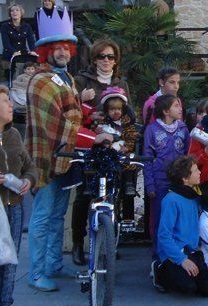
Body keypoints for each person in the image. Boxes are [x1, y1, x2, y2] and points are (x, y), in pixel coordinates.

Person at [26, 7, 113, 291]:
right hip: (47, 158)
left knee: (56, 215)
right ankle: (37, 273)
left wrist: (92, 114)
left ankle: (52, 264)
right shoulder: (40, 80)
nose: (62, 52)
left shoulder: (65, 78)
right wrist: (92, 138)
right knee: (42, 217)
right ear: (46, 51)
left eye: (66, 47)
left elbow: (71, 109)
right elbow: (55, 124)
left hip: (67, 158)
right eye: (57, 48)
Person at [70, 86, 140, 265]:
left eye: (119, 109)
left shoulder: (127, 124)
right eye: (112, 109)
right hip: (95, 164)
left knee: (115, 201)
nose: (116, 112)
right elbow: (89, 135)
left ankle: (111, 243)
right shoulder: (98, 122)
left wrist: (123, 148)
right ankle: (78, 242)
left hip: (116, 166)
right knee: (84, 198)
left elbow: (131, 141)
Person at [0, 84, 37, 306]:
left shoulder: (14, 134)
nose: (11, 105)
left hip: (14, 206)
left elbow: (30, 166)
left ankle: (6, 305)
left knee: (10, 258)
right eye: (5, 101)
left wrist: (28, 181)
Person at [153, 156, 208, 296]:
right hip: (175, 252)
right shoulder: (171, 200)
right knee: (188, 288)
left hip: (192, 250)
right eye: (195, 171)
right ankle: (159, 270)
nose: (199, 172)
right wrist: (181, 260)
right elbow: (164, 236)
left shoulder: (193, 195)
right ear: (185, 179)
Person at [144, 94, 190, 263]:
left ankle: (177, 255)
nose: (180, 108)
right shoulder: (152, 130)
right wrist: (150, 185)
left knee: (177, 219)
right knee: (160, 220)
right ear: (165, 111)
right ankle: (158, 258)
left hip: (178, 182)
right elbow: (147, 159)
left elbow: (187, 155)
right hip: (159, 181)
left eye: (180, 105)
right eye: (176, 106)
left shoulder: (183, 129)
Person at [74, 39, 131, 119]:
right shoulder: (80, 81)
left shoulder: (122, 84)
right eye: (101, 56)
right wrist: (80, 98)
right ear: (94, 60)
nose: (106, 60)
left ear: (115, 61)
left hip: (116, 130)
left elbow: (129, 114)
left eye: (111, 57)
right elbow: (69, 111)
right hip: (88, 129)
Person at [0, 4, 37, 75]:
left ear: (21, 13)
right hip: (9, 56)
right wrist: (14, 52)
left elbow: (31, 41)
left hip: (23, 55)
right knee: (10, 77)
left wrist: (33, 51)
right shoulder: (5, 26)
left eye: (17, 10)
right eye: (12, 11)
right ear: (10, 13)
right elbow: (5, 43)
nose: (14, 12)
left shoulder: (27, 26)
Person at [10, 62, 37, 137]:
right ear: (24, 70)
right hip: (21, 90)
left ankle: (27, 101)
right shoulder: (21, 76)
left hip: (31, 90)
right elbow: (16, 83)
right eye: (28, 69)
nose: (30, 71)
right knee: (13, 92)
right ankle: (23, 101)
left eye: (32, 69)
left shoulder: (35, 77)